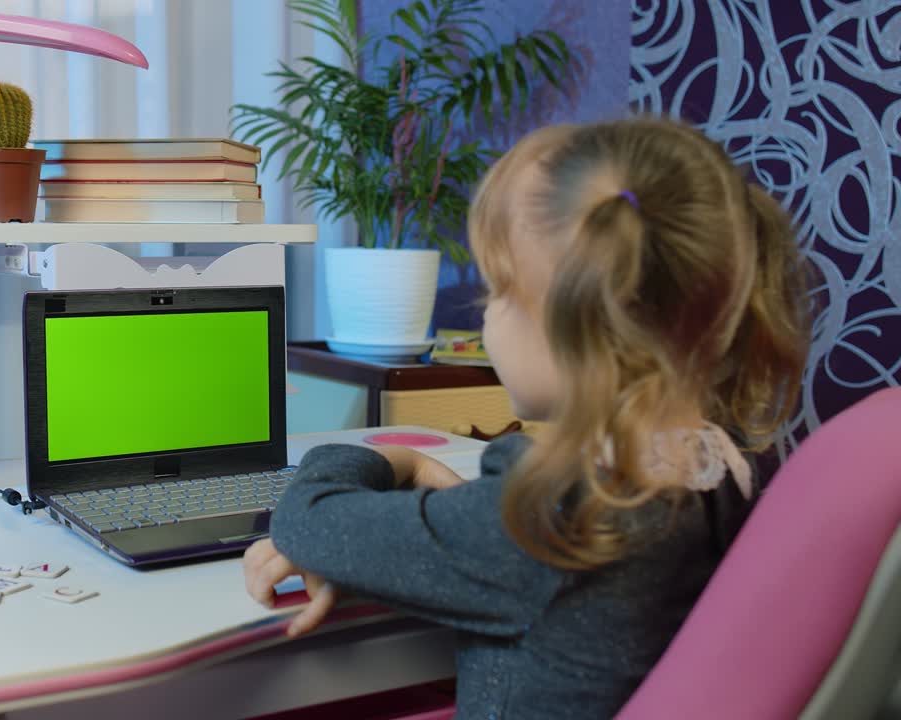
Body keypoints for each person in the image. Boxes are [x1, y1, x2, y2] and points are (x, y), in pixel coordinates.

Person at [243, 117, 810, 718]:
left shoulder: (555, 518)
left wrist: (389, 458)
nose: (486, 321)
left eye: (495, 295)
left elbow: (309, 521)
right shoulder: (716, 466)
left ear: (576, 332)